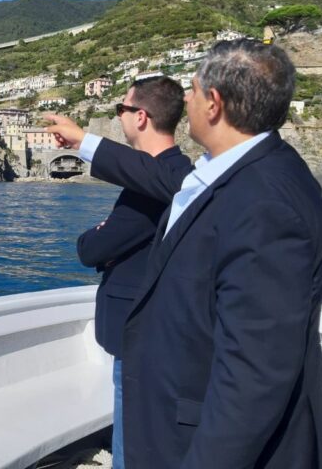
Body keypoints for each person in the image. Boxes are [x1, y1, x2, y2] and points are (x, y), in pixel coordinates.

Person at [48, 39, 322, 468]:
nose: (186, 102)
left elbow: (254, 374)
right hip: (175, 415)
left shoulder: (265, 202)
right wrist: (86, 142)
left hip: (196, 439)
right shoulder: (242, 174)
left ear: (213, 103)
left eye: (192, 91)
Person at [74, 76, 190, 468]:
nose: (118, 117)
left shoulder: (156, 183)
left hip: (140, 335)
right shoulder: (177, 172)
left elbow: (92, 248)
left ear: (140, 117)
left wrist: (98, 241)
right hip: (164, 332)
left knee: (132, 441)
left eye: (120, 109)